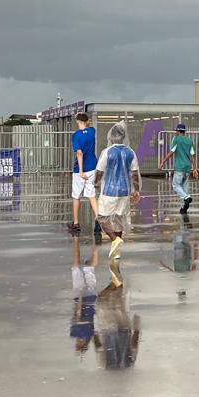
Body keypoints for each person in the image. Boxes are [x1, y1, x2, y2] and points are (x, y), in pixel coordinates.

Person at [94, 122, 141, 260]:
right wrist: (136, 190)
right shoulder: (130, 152)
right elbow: (134, 173)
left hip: (109, 190)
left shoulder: (107, 152)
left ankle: (115, 240)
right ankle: (117, 250)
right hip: (124, 190)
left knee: (102, 218)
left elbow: (99, 172)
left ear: (111, 137)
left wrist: (95, 184)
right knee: (119, 219)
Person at [159, 123, 199, 215]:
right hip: (187, 167)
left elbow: (171, 152)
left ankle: (186, 198)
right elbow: (193, 155)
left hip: (179, 167)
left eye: (176, 131)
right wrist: (195, 168)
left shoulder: (176, 139)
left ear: (178, 131)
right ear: (184, 131)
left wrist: (163, 162)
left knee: (176, 185)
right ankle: (184, 206)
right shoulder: (189, 140)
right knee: (184, 186)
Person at [69, 113, 99, 237]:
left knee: (76, 196)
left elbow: (79, 153)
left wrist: (81, 171)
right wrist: (85, 120)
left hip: (80, 170)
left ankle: (76, 224)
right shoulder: (92, 131)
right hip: (92, 167)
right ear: (87, 121)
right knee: (91, 194)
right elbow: (89, 124)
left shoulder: (76, 136)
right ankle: (98, 219)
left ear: (77, 121)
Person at [69, 236, 99, 356]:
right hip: (80, 298)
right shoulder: (75, 332)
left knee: (90, 269)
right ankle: (76, 240)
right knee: (76, 268)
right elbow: (78, 313)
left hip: (91, 299)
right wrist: (81, 296)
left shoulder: (90, 333)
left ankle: (96, 241)